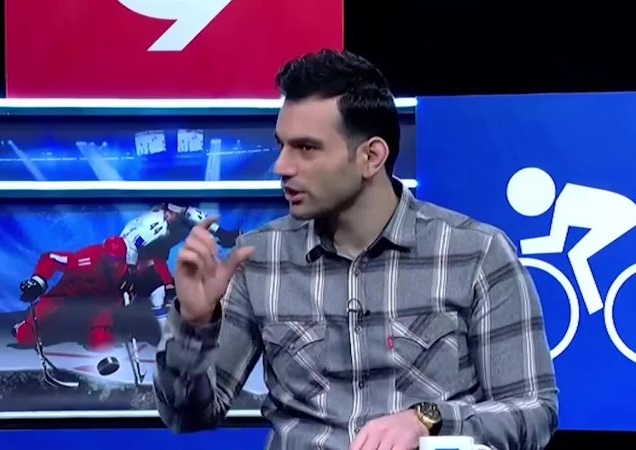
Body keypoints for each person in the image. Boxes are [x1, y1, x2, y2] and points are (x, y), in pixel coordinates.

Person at [154, 49, 559, 450]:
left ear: (371, 156)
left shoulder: (477, 254)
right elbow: (186, 418)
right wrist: (193, 325)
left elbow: (533, 412)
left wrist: (427, 421)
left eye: (306, 148)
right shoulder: (259, 258)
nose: (282, 167)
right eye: (282, 146)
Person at [507, 166, 636, 315]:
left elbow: (555, 244)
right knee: (577, 254)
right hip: (624, 212)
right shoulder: (566, 196)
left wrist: (518, 247)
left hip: (625, 215)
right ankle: (595, 307)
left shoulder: (565, 202)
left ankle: (595, 308)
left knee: (577, 255)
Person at [12, 236, 134, 351]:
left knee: (101, 342)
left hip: (101, 302)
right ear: (104, 257)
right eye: (111, 259)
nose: (114, 264)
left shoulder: (131, 265)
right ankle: (29, 324)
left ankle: (107, 329)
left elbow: (132, 287)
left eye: (119, 260)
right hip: (67, 294)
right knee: (25, 336)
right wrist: (38, 281)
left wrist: (128, 297)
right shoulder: (85, 260)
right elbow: (51, 258)